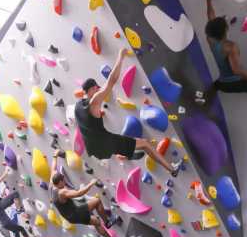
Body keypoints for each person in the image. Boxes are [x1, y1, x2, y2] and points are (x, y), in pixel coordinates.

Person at [76, 48, 183, 176]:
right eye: (97, 89)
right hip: (105, 143)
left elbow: (86, 124)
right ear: (93, 89)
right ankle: (172, 169)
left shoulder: (78, 106)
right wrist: (121, 56)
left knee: (128, 144)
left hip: (94, 148)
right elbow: (111, 81)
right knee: (145, 144)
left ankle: (128, 151)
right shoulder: (94, 102)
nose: (99, 91)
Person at [50, 151, 122, 237]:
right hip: (75, 213)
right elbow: (79, 193)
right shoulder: (62, 192)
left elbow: (53, 168)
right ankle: (107, 222)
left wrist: (55, 155)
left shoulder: (52, 184)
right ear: (59, 183)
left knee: (96, 222)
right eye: (63, 181)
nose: (64, 182)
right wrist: (91, 183)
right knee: (96, 201)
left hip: (70, 217)